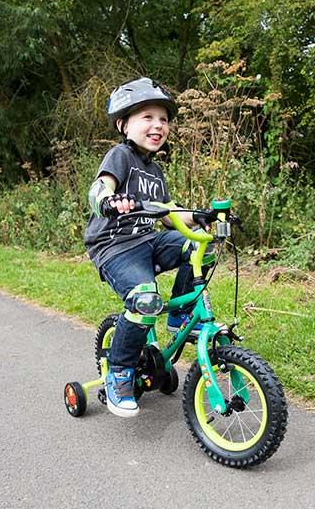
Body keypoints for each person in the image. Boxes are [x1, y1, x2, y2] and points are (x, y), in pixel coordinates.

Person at [84, 77, 209, 418]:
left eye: (164, 119)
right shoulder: (120, 155)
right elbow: (98, 190)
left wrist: (201, 217)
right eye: (147, 117)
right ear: (124, 124)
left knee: (200, 246)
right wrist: (109, 202)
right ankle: (120, 373)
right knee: (145, 299)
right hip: (115, 246)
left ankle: (183, 314)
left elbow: (169, 216)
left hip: (147, 241)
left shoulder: (155, 171)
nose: (158, 125)